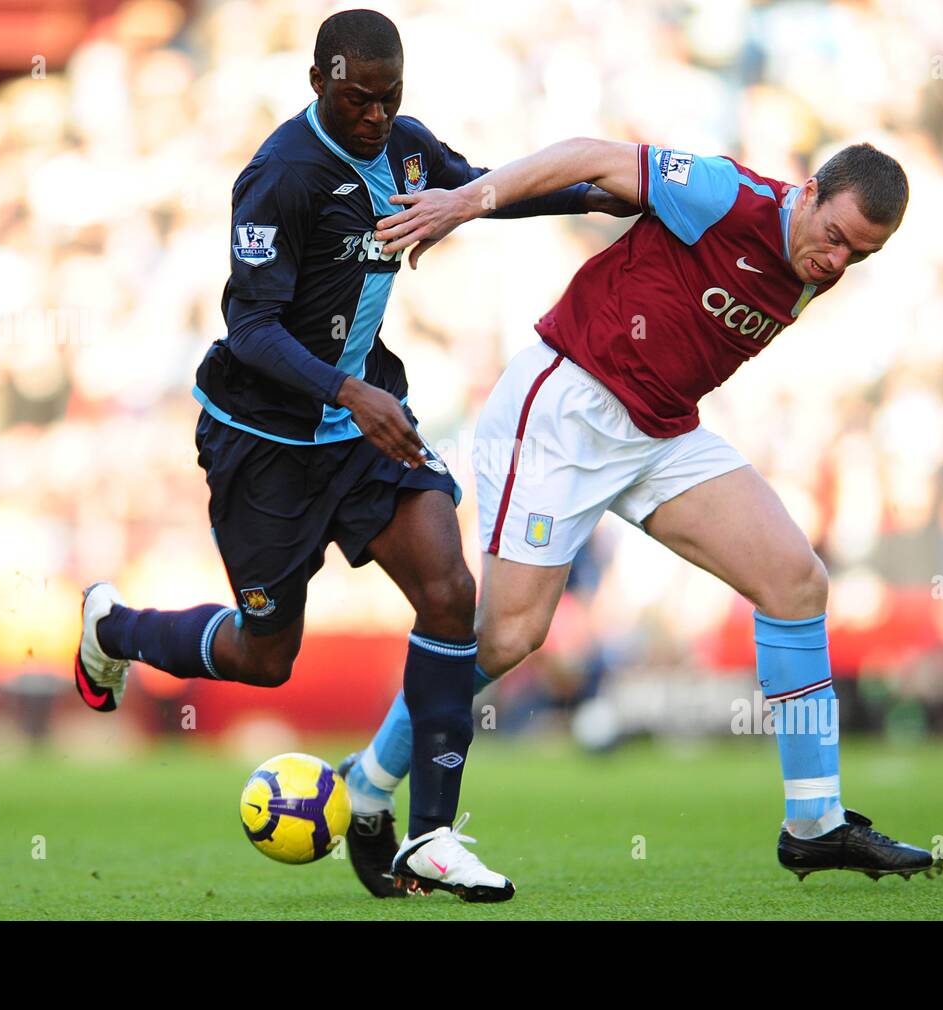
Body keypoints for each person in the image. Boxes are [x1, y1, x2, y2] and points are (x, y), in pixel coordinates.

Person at [72, 9, 631, 903]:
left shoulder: (405, 150)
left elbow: (483, 190)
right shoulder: (279, 177)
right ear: (318, 82)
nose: (374, 116)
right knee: (266, 656)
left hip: (365, 436)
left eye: (388, 97)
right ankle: (116, 630)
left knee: (452, 594)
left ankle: (428, 832)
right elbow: (248, 329)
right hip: (265, 445)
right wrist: (349, 390)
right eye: (356, 98)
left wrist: (609, 191)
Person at [338, 136, 943, 892]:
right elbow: (592, 155)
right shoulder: (727, 196)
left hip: (659, 430)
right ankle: (368, 781)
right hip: (566, 407)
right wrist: (467, 201)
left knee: (797, 583)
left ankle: (815, 825)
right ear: (811, 189)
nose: (836, 263)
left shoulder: (815, 264)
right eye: (834, 238)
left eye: (860, 255)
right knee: (509, 638)